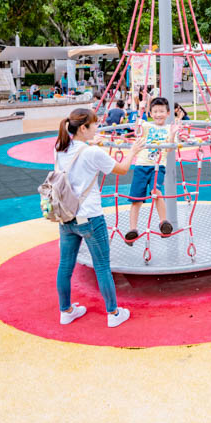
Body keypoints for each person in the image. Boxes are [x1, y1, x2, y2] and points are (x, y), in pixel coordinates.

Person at [54, 108, 143, 328]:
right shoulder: (92, 153)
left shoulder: (60, 147)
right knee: (102, 265)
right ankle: (113, 313)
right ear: (84, 128)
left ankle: (66, 310)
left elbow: (81, 159)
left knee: (65, 265)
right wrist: (132, 151)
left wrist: (94, 145)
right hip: (90, 216)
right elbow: (122, 169)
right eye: (94, 125)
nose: (98, 127)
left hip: (66, 215)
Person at [125, 97, 180, 245]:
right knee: (136, 200)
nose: (158, 114)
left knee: (156, 192)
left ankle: (163, 223)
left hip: (158, 166)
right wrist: (139, 109)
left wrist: (173, 134)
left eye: (162, 111)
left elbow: (169, 149)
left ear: (168, 113)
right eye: (155, 111)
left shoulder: (170, 129)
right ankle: (133, 230)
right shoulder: (147, 126)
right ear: (150, 113)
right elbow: (136, 128)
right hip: (141, 166)